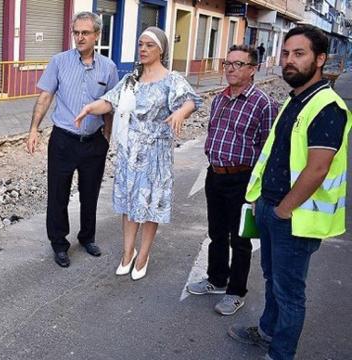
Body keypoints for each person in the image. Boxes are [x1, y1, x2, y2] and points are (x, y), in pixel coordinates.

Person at [228, 25, 351, 360]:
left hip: (294, 217)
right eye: (285, 54)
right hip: (270, 208)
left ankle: (280, 353)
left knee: (290, 292)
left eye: (299, 54)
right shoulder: (296, 99)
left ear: (320, 59)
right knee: (272, 280)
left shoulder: (327, 106)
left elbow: (317, 168)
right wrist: (260, 202)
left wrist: (283, 210)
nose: (289, 61)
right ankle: (267, 331)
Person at [74, 27, 201, 280]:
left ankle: (143, 255)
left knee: (150, 205)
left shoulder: (171, 79)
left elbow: (191, 100)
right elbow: (109, 102)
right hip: (129, 154)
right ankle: (127, 252)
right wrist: (90, 108)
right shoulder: (131, 80)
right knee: (130, 204)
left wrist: (179, 113)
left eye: (149, 45)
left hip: (156, 155)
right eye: (140, 44)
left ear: (161, 49)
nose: (143, 49)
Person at [186, 45, 278, 315]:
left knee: (240, 239)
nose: (231, 68)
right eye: (228, 63)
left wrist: (258, 188)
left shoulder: (264, 104)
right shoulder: (220, 98)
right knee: (216, 233)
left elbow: (267, 150)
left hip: (243, 179)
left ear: (252, 69)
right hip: (215, 175)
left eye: (239, 64)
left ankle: (236, 291)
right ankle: (216, 279)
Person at [26, 11, 119, 268]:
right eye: (76, 32)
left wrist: (108, 137)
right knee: (58, 194)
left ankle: (87, 237)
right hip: (63, 141)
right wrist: (34, 129)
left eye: (85, 33)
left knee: (90, 194)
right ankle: (59, 244)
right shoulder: (59, 62)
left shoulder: (108, 68)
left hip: (93, 142)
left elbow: (111, 105)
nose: (79, 37)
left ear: (97, 35)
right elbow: (45, 97)